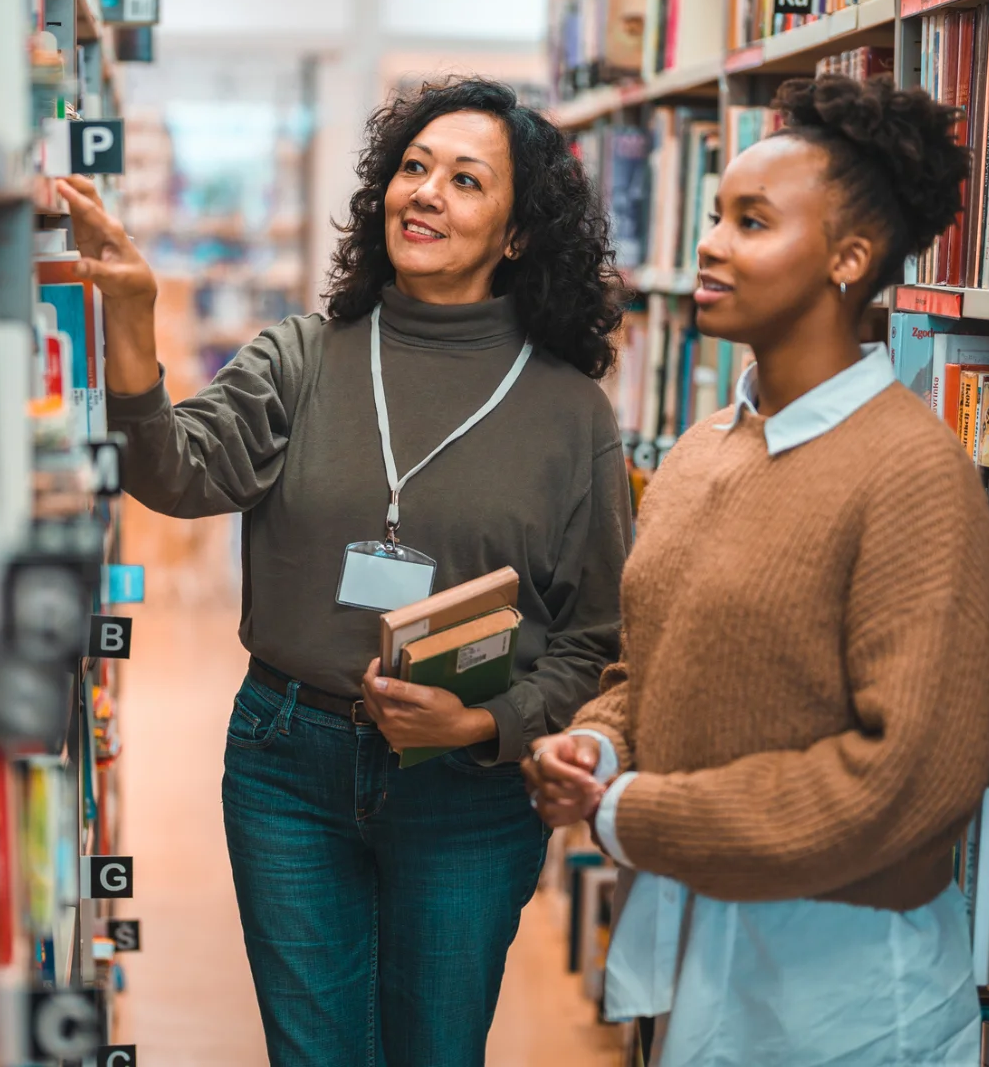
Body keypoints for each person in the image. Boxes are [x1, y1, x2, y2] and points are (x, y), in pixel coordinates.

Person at [55, 77, 630, 1066]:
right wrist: (136, 325)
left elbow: (595, 637)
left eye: (465, 178)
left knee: (434, 1052)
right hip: (289, 759)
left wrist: (488, 724)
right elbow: (174, 473)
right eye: (413, 167)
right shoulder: (302, 357)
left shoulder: (571, 413)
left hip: (466, 784)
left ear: (518, 233)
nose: (427, 192)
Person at [524, 74, 989, 1066]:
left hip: (846, 980)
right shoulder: (706, 448)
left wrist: (636, 812)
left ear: (848, 258)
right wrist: (600, 747)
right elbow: (649, 669)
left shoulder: (913, 473)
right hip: (703, 940)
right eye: (714, 216)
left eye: (752, 221)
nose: (710, 244)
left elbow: (902, 778)